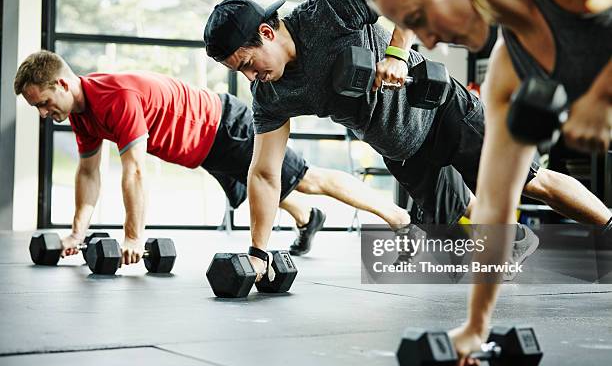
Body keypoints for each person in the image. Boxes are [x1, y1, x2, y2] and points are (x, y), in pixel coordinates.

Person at [203, 0, 611, 282]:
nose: (251, 76)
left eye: (248, 64)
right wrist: (258, 252)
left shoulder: (328, 12)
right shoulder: (271, 95)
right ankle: (514, 240)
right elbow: (264, 172)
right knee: (454, 231)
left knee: (532, 183)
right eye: (240, 72)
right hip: (401, 150)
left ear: (268, 33)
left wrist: (397, 53)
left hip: (443, 114)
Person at [369, 0, 612, 366]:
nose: (428, 42)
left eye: (418, 20)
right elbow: (497, 202)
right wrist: (476, 327)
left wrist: (601, 94)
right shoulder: (508, 68)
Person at [14, 50, 413, 262]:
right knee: (264, 185)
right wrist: (77, 232)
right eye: (38, 109)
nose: (46, 115)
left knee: (306, 177)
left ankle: (398, 218)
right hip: (206, 148)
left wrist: (134, 236)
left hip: (223, 127)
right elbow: (88, 173)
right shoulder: (82, 114)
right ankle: (309, 218)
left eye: (45, 103)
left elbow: (134, 172)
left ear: (63, 83)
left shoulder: (114, 98)